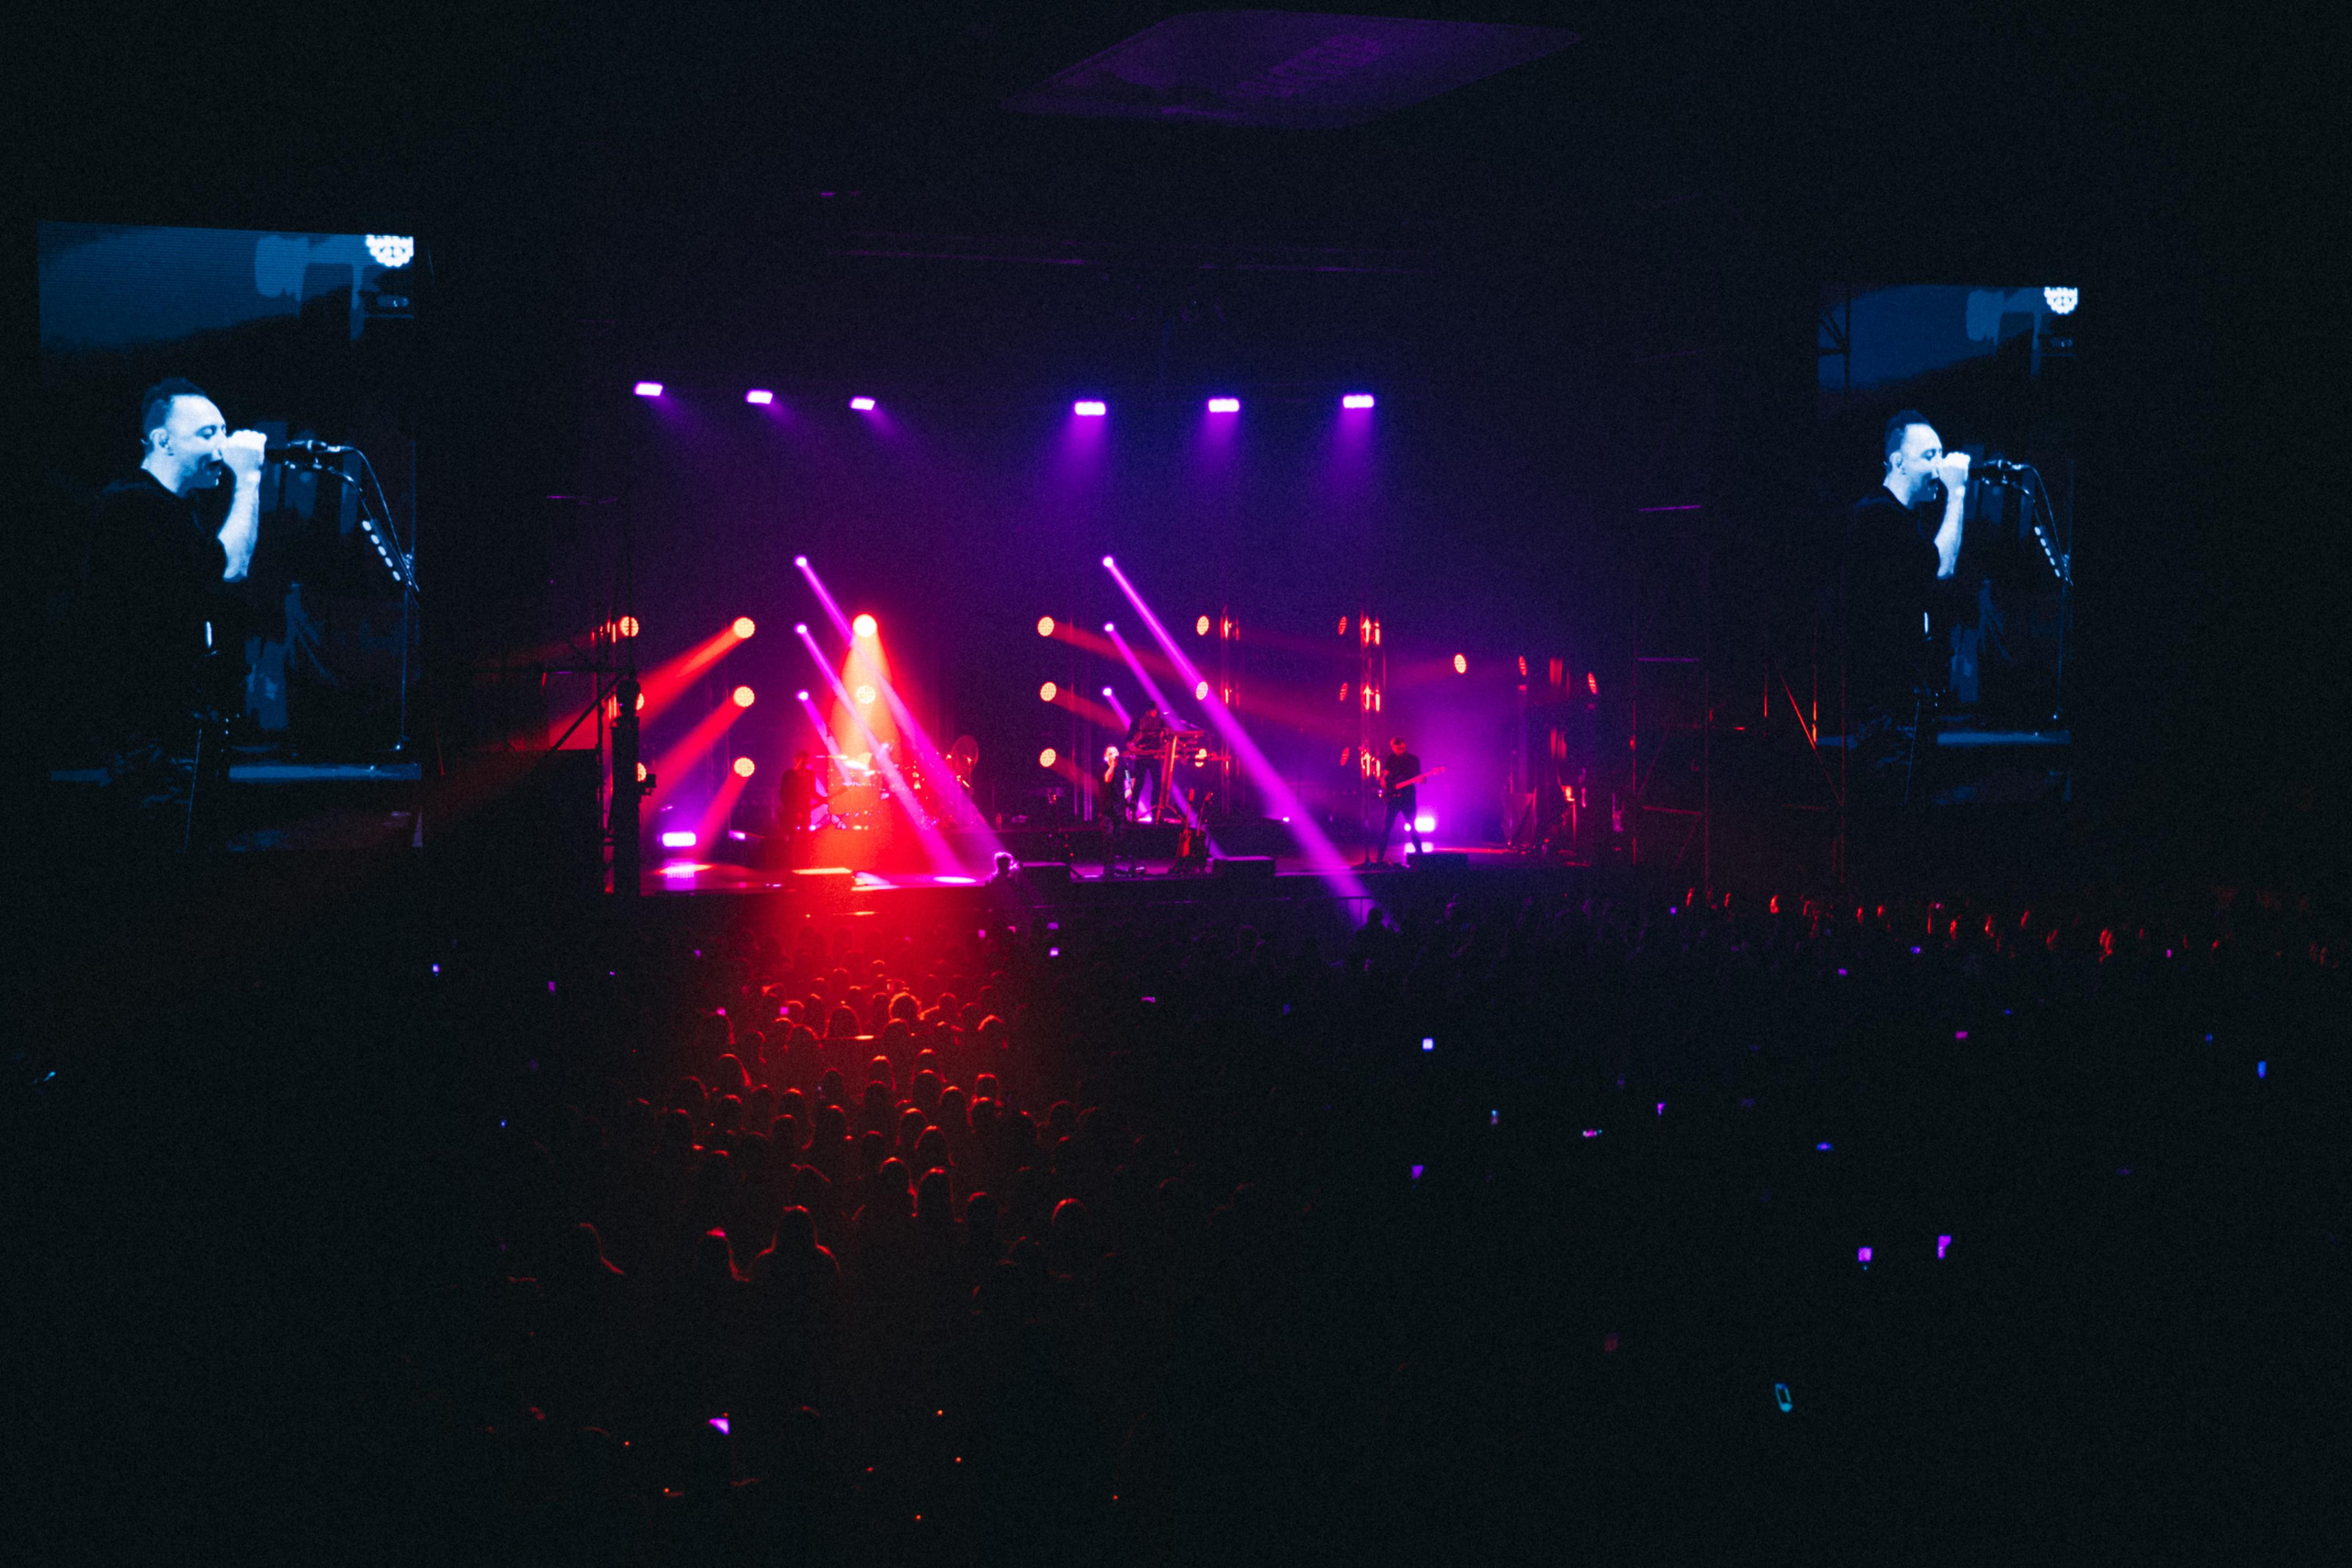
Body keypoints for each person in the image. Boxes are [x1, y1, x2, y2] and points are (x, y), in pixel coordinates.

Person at [84, 379, 267, 836]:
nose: (223, 445)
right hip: (150, 733)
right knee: (160, 854)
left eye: (224, 431)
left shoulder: (176, 510)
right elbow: (230, 568)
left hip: (178, 726)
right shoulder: (134, 507)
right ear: (163, 440)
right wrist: (249, 479)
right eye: (207, 433)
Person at [1844, 409, 1973, 727]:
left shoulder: (1903, 519)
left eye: (1941, 455)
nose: (1940, 467)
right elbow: (1941, 567)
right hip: (1882, 704)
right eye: (1930, 456)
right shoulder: (1878, 517)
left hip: (1900, 697)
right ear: (1899, 462)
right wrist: (1957, 493)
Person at [1371, 737, 1428, 866]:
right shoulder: (1391, 759)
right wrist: (1383, 782)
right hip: (1393, 797)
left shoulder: (1413, 760)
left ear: (1403, 746)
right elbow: (1385, 776)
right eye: (1394, 747)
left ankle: (1421, 856)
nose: (1395, 749)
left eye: (1397, 747)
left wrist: (1421, 779)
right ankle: (1379, 859)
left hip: (1408, 797)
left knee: (1412, 827)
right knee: (1387, 828)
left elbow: (1420, 777)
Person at [775, 750, 826, 867]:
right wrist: (793, 810)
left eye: (806, 760)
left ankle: (804, 863)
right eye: (802, 760)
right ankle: (790, 864)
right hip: (791, 811)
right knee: (791, 838)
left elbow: (812, 792)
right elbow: (783, 794)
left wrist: (823, 799)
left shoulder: (810, 774)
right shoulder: (788, 775)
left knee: (805, 838)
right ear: (796, 760)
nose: (805, 763)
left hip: (805, 810)